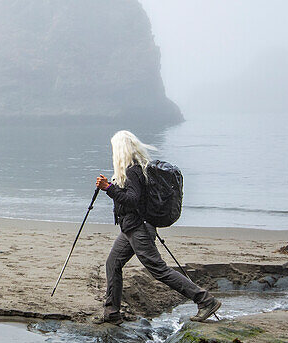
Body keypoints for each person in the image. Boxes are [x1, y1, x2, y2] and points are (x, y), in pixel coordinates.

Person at [92, 130, 221, 325]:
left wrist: (108, 188)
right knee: (113, 264)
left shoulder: (132, 170)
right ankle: (112, 313)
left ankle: (205, 300)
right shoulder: (135, 169)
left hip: (139, 229)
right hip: (130, 229)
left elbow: (132, 200)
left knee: (158, 270)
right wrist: (112, 187)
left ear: (120, 150)